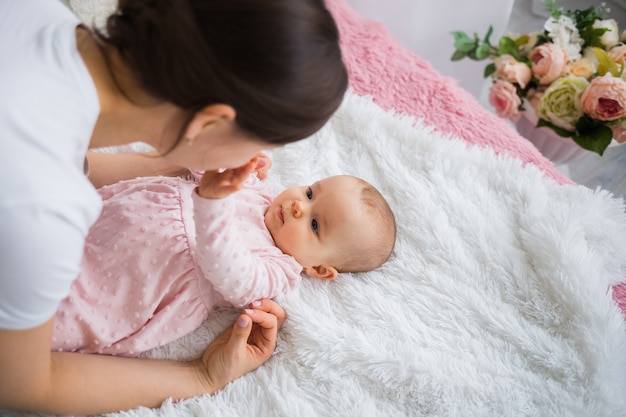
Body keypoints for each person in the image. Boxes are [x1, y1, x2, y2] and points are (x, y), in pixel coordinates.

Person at [0, 0, 348, 414]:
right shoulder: (43, 216)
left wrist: (181, 158)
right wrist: (201, 375)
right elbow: (24, 385)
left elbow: (65, 158)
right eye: (262, 143)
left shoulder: (32, 13)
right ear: (210, 122)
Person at [52, 154, 396, 356]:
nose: (297, 206)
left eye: (316, 224)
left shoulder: (276, 271)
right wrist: (235, 159)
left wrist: (211, 204)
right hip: (97, 224)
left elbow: (228, 270)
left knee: (50, 313)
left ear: (320, 268)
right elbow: (203, 165)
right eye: (309, 192)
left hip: (122, 286)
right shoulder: (257, 190)